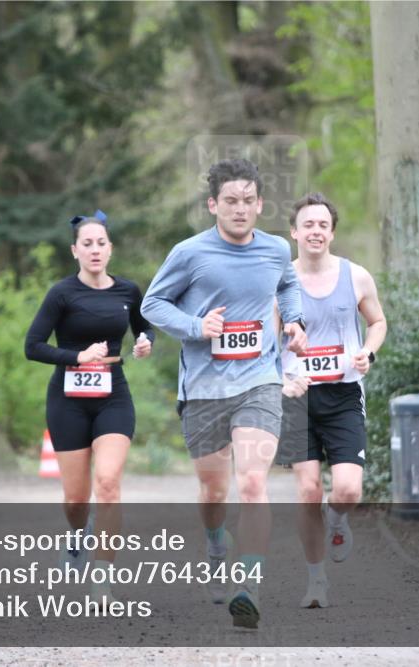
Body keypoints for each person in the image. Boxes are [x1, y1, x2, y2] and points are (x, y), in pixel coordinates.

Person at [141, 158, 306, 629]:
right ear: (213, 204)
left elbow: (288, 284)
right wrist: (196, 326)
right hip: (205, 389)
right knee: (214, 489)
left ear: (259, 204)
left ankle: (249, 586)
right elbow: (153, 304)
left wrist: (293, 321)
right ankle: (216, 543)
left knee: (253, 482)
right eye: (230, 201)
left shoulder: (275, 249)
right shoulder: (190, 253)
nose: (239, 209)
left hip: (259, 382)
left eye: (248, 201)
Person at [24, 210, 153, 608]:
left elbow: (145, 325)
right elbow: (33, 346)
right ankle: (78, 534)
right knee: (76, 500)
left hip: (113, 395)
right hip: (68, 401)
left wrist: (146, 341)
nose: (94, 250)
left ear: (110, 249)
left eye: (101, 244)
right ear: (74, 251)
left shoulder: (128, 291)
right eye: (87, 244)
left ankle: (102, 578)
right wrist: (77, 357)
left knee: (109, 484)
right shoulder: (62, 293)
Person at [277, 193, 387, 609]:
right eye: (308, 224)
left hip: (343, 395)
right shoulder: (279, 281)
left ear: (332, 232)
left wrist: (368, 352)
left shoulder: (356, 276)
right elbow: (266, 345)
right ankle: (316, 580)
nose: (316, 231)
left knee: (347, 489)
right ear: (295, 232)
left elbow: (377, 322)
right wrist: (281, 381)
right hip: (297, 398)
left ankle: (337, 518)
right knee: (307, 491)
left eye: (323, 225)